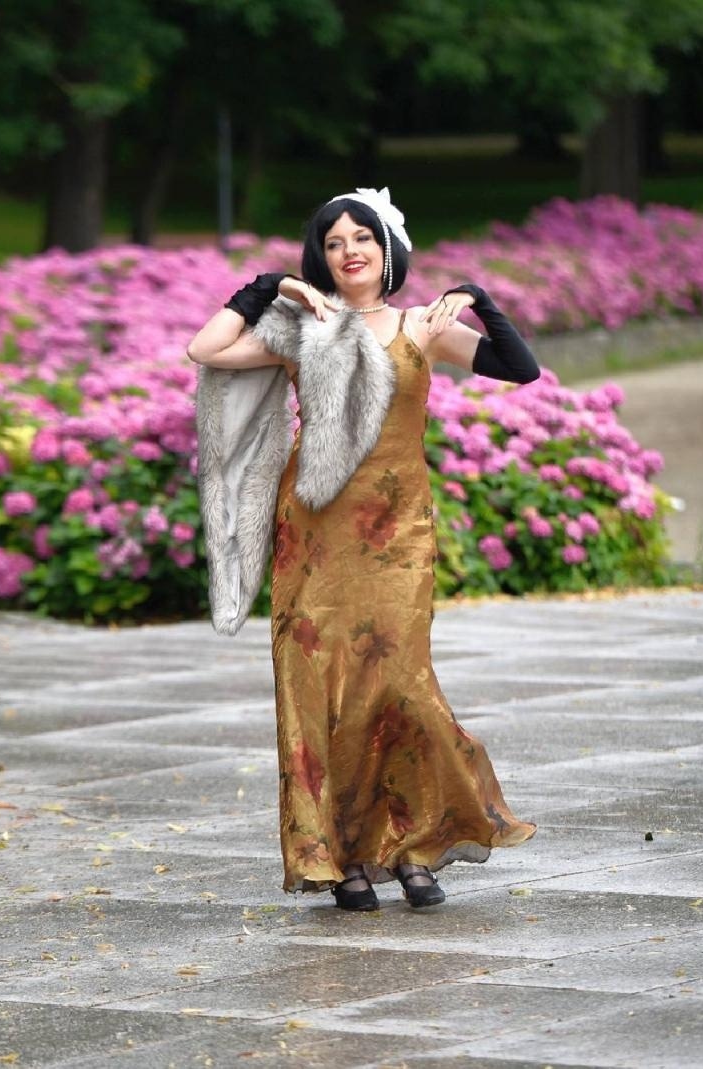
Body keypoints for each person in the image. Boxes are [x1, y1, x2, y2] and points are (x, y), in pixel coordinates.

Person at [187, 189, 539, 911]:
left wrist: (475, 298)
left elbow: (518, 366)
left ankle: (414, 843)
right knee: (323, 691)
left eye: (362, 238)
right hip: (314, 531)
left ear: (387, 250)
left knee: (402, 687)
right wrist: (268, 286)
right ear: (321, 256)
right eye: (335, 242)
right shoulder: (301, 327)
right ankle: (341, 858)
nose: (350, 251)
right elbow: (207, 349)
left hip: (397, 532)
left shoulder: (420, 326)